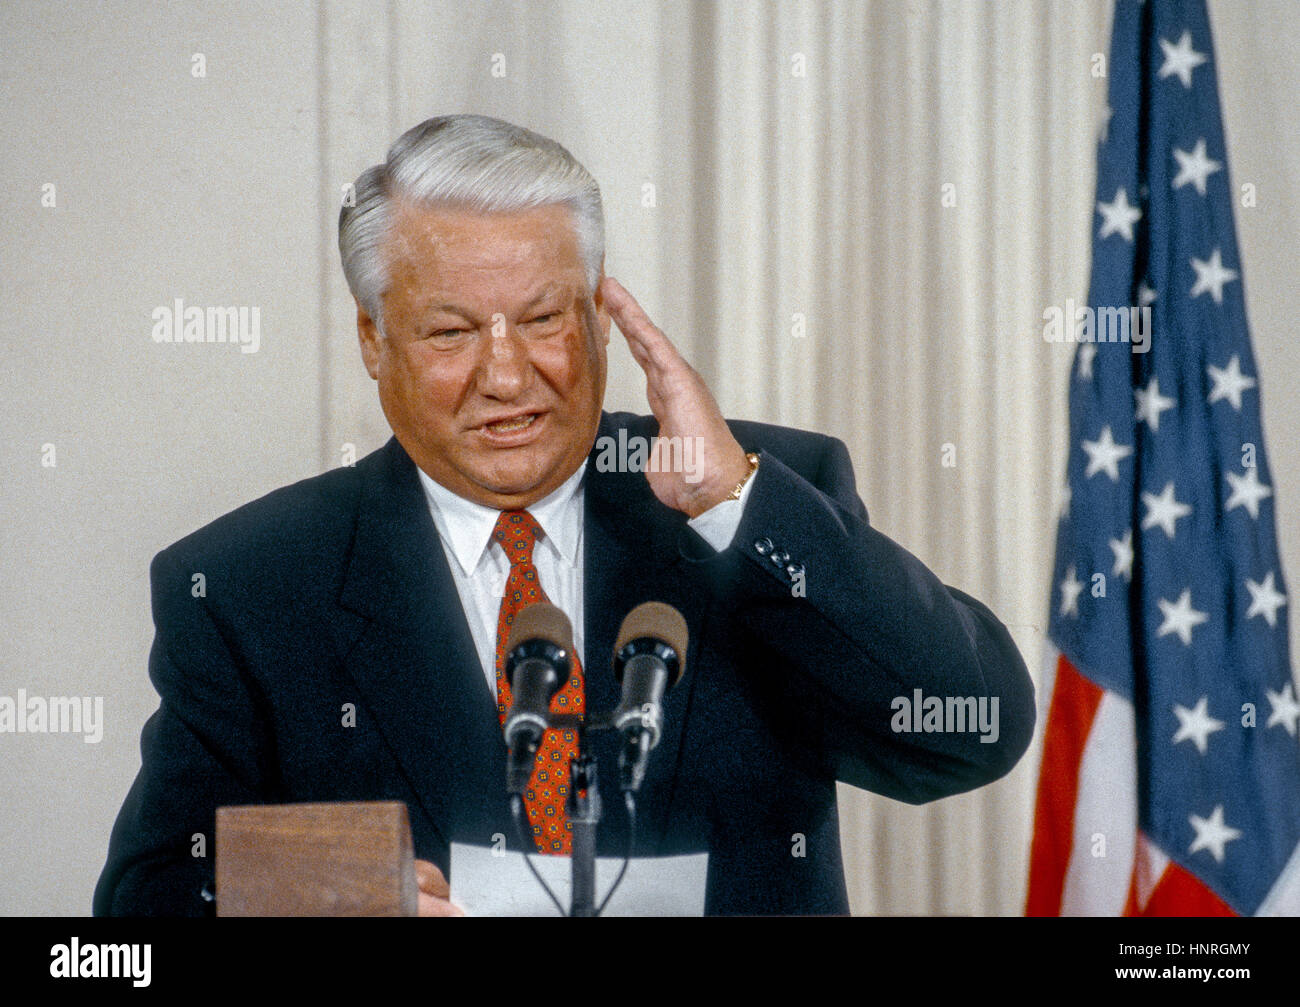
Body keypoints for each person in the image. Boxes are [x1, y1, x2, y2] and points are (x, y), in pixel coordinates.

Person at [94, 114, 1035, 916]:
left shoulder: (755, 501)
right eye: (452, 332)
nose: (507, 376)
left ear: (598, 314)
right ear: (374, 340)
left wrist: (735, 505)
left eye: (543, 319)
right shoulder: (252, 585)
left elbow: (975, 727)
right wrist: (336, 898)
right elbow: (138, 916)